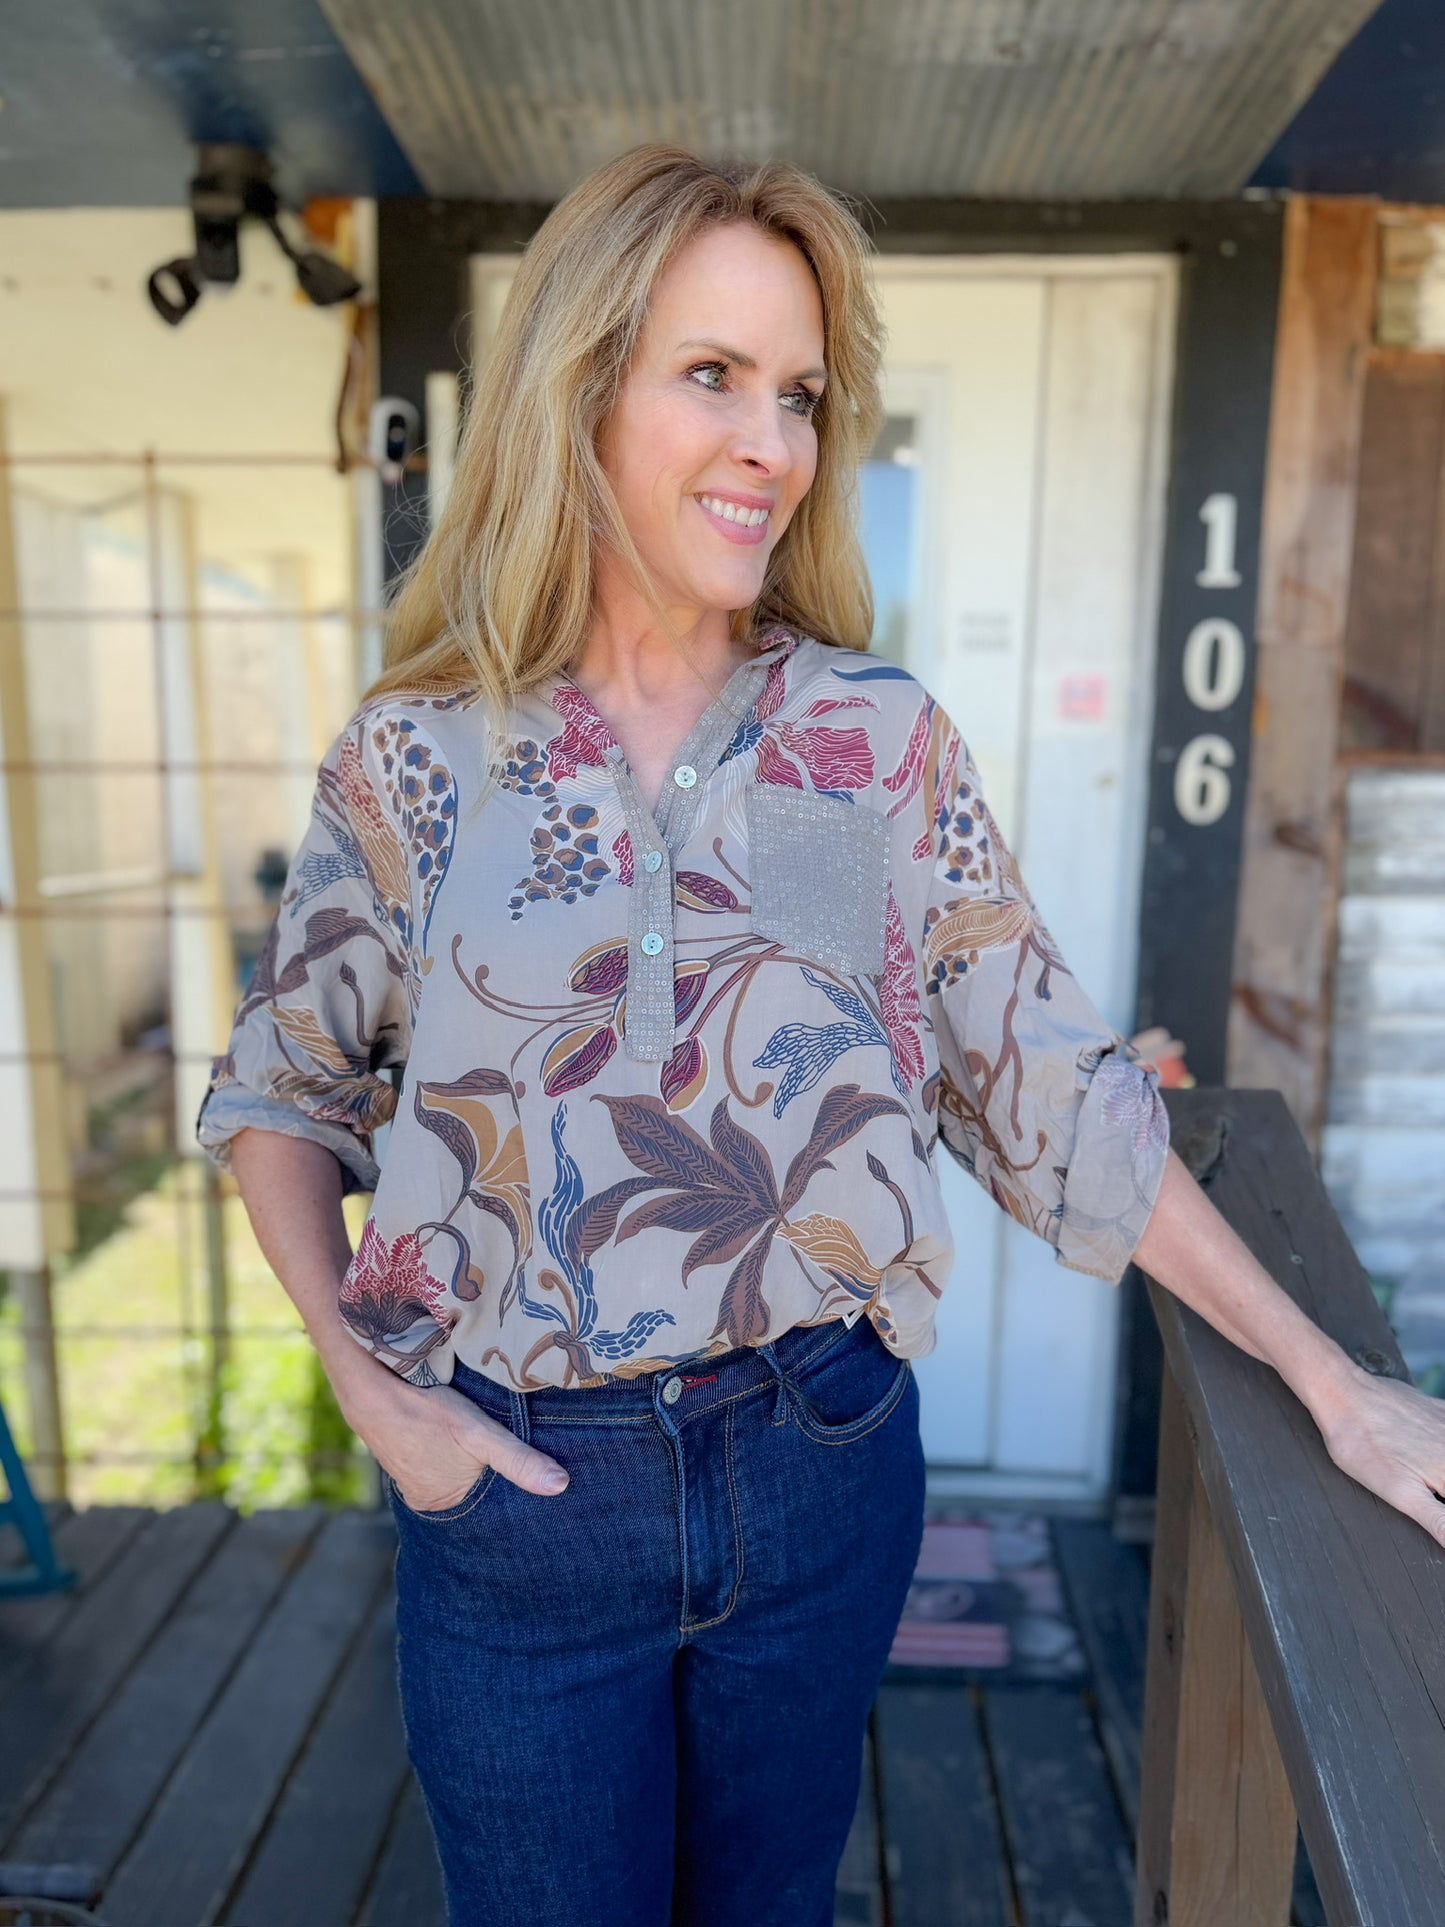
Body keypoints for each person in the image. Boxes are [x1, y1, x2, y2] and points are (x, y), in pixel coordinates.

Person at [197, 143, 1445, 1927]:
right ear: (579, 387)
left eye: (796, 393)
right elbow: (285, 1092)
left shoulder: (848, 744)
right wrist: (366, 1392)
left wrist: (1331, 1385)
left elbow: (1034, 1081)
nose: (772, 444)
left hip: (816, 1460)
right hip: (515, 1498)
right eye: (711, 376)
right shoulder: (419, 757)